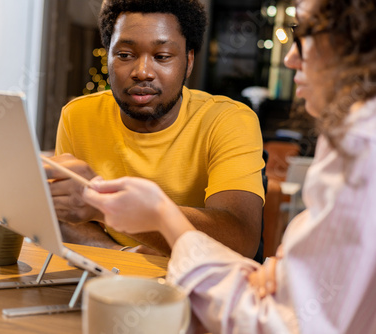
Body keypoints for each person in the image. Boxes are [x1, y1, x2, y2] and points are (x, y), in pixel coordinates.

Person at [83, 0, 376, 332]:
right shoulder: (77, 115)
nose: (291, 58)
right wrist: (284, 274)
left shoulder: (362, 144)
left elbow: (284, 323)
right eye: (124, 54)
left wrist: (163, 217)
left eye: (306, 33)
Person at [44, 0, 265, 259]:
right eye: (125, 55)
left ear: (189, 61)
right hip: (110, 278)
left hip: (196, 288)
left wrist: (103, 206)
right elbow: (69, 218)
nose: (143, 72)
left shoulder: (228, 120)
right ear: (108, 57)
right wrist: (125, 255)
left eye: (162, 57)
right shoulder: (78, 116)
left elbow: (240, 239)